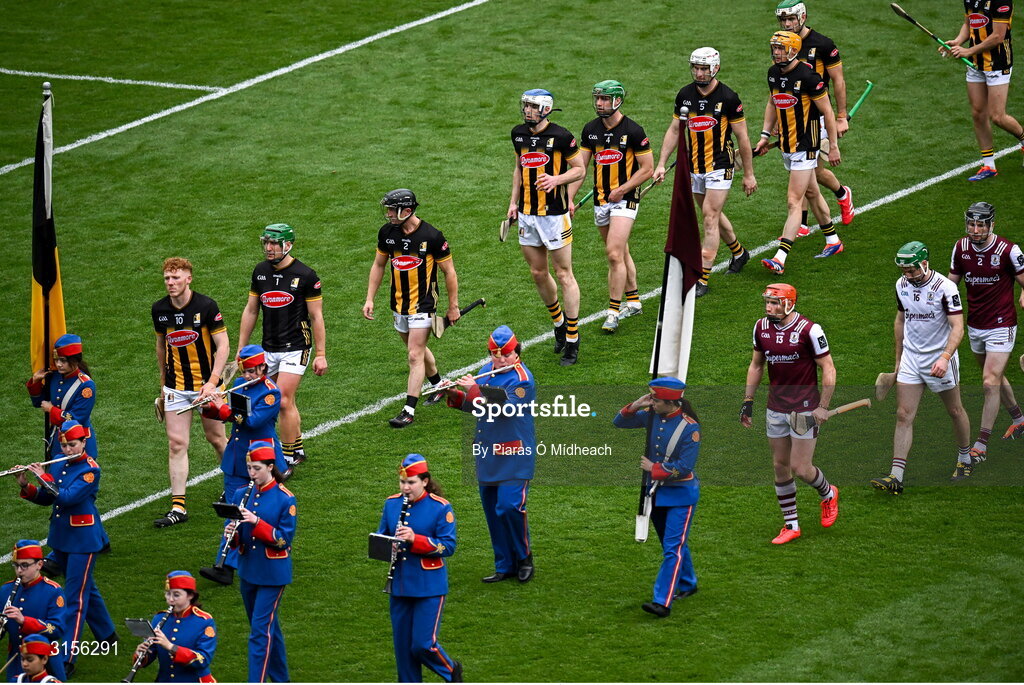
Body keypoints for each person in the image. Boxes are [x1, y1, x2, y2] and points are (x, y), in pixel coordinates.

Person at [12, 421, 116, 677]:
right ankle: (108, 635)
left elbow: (67, 497)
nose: (68, 449)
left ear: (84, 443)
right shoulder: (58, 460)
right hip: (61, 537)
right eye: (64, 445)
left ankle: (69, 655)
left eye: (73, 444)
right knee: (86, 588)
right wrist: (26, 485)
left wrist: (44, 477)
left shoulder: (91, 470)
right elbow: (49, 498)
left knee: (74, 599)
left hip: (83, 540)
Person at [653, 48, 757, 298]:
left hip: (720, 165)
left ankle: (702, 277)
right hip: (694, 166)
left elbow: (742, 137)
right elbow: (675, 131)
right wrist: (660, 163)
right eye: (696, 68)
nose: (699, 73)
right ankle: (740, 252)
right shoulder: (685, 95)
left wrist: (749, 174)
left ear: (715, 69)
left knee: (710, 218)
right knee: (712, 213)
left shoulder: (729, 98)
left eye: (703, 69)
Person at [739, 284, 840, 543]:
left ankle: (828, 494)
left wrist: (823, 406)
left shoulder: (810, 330)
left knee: (802, 468)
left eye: (774, 302)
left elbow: (828, 368)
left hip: (805, 408)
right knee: (780, 466)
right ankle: (791, 524)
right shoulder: (761, 328)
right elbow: (756, 365)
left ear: (788, 303)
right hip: (776, 408)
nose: (768, 307)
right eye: (767, 302)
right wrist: (748, 401)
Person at [872, 242, 972, 493]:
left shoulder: (946, 289)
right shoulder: (901, 285)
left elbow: (958, 327)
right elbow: (900, 321)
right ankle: (896, 476)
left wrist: (945, 357)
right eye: (904, 270)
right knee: (904, 414)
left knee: (955, 411)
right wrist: (898, 361)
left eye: (912, 270)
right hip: (911, 359)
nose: (908, 275)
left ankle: (965, 458)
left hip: (939, 359)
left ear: (925, 263)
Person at [444, 325, 536, 583]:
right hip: (488, 453)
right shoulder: (487, 372)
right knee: (492, 511)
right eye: (496, 355)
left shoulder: (522, 380)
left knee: (509, 507)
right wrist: (457, 396)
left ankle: (524, 557)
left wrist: (474, 389)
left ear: (516, 352)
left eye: (505, 355)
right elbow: (479, 408)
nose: (500, 360)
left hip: (514, 453)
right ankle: (504, 564)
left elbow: (506, 409)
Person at [363, 189, 460, 428]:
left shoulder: (432, 236)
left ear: (407, 211)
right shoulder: (387, 234)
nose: (387, 214)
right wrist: (369, 298)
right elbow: (378, 265)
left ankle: (408, 410)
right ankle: (439, 384)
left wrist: (453, 306)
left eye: (391, 210)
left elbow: (449, 272)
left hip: (424, 305)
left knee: (414, 354)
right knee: (414, 347)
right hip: (398, 304)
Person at [508, 89, 588, 365]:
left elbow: (579, 169)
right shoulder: (518, 134)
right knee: (538, 272)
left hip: (554, 215)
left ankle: (573, 340)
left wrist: (556, 181)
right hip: (528, 215)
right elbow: (519, 168)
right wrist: (513, 202)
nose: (526, 110)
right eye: (525, 106)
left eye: (532, 106)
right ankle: (558, 324)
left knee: (564, 274)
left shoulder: (562, 136)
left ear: (545, 109)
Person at [754, 31, 844, 275]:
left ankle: (780, 257)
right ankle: (833, 241)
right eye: (774, 48)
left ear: (793, 50)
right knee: (813, 192)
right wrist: (764, 136)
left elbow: (826, 112)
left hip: (805, 147)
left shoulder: (808, 76)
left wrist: (833, 146)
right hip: (786, 145)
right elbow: (773, 103)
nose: (776, 52)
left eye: (780, 48)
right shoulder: (773, 73)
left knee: (794, 201)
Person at [238, 223, 327, 469]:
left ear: (288, 245)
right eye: (266, 243)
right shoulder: (260, 272)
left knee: (283, 400)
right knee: (277, 398)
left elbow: (316, 317)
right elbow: (251, 310)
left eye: (274, 243)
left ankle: (288, 455)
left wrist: (320, 353)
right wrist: (242, 348)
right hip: (269, 347)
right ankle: (296, 446)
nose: (269, 248)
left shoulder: (306, 275)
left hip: (297, 346)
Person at [199, 345, 289, 586]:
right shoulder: (240, 383)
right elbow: (225, 416)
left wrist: (223, 407)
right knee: (233, 511)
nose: (247, 375)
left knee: (260, 511)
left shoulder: (271, 393)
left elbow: (251, 421)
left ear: (262, 367)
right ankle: (225, 566)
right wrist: (207, 407)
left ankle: (267, 551)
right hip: (237, 458)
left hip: (262, 459)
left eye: (251, 371)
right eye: (245, 371)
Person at [613, 378, 701, 618]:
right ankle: (688, 582)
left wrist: (654, 468)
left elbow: (684, 466)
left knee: (672, 548)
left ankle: (661, 602)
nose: (651, 402)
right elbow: (619, 422)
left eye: (655, 399)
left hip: (681, 495)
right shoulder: (652, 416)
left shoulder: (690, 428)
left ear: (671, 403)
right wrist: (636, 405)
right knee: (671, 543)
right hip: (656, 493)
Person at [569, 80, 653, 331]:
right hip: (601, 201)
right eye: (597, 98)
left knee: (614, 253)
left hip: (625, 199)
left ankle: (613, 312)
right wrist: (569, 199)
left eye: (604, 99)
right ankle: (634, 301)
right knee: (621, 251)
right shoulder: (590, 130)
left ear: (617, 101)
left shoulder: (634, 131)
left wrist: (623, 189)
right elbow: (580, 169)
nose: (599, 103)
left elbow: (647, 169)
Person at [153, 257, 229, 528]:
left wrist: (213, 382)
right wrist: (163, 385)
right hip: (176, 388)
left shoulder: (206, 306)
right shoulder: (159, 310)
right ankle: (178, 506)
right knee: (176, 444)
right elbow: (161, 346)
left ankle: (234, 485)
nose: (170, 283)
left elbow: (223, 345)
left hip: (207, 387)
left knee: (216, 438)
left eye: (176, 278)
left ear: (189, 279)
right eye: (167, 279)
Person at [948, 202, 1024, 466]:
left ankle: (980, 443)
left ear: (992, 224)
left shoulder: (1008, 251)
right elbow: (950, 285)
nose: (976, 229)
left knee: (989, 381)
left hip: (1002, 324)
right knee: (995, 376)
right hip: (975, 325)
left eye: (981, 224)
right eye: (972, 223)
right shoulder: (961, 248)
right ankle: (1019, 419)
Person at [376, 455, 462, 683]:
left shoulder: (440, 507)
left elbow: (448, 545)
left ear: (425, 481)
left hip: (428, 587)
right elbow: (382, 535)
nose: (406, 487)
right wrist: (388, 544)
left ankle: (452, 672)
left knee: (423, 645)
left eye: (411, 482)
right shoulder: (392, 503)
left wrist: (416, 539)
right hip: (400, 586)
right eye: (402, 482)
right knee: (403, 651)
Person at [774, 0, 856, 232]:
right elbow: (778, 86)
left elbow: (838, 81)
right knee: (803, 173)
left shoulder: (822, 44)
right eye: (783, 20)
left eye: (791, 19)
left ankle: (841, 194)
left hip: (817, 116)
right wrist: (780, 121)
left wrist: (840, 116)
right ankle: (803, 220)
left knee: (811, 171)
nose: (787, 24)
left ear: (803, 17)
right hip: (792, 116)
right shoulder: (781, 44)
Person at [223, 442, 296, 683]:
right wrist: (231, 535)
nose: (251, 474)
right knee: (267, 628)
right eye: (249, 468)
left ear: (270, 467)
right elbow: (237, 538)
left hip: (273, 574)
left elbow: (283, 540)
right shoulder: (240, 494)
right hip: (248, 570)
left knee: (258, 633)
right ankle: (281, 679)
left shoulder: (286, 499)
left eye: (256, 468)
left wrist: (256, 522)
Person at [940, 0, 1024, 180]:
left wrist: (968, 51)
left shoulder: (1001, 1)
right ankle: (989, 166)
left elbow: (998, 37)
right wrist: (957, 41)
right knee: (978, 113)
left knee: (998, 116)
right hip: (975, 64)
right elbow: (968, 23)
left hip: (998, 64)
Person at [130, 571, 217, 683]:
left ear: (190, 595)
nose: (170, 599)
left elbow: (203, 660)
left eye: (176, 595)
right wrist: (141, 654)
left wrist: (171, 647)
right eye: (168, 594)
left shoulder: (204, 621)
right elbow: (150, 654)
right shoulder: (158, 619)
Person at [1, 540, 66, 683]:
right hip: (16, 660)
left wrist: (24, 621)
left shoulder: (53, 592)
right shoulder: (5, 590)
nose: (19, 570)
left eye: (25, 565)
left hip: (45, 662)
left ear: (39, 565)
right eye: (16, 565)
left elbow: (57, 629)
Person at [26, 334, 97, 461]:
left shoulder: (86, 386)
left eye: (63, 360)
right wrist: (36, 381)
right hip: (58, 442)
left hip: (79, 443)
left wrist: (52, 410)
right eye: (57, 360)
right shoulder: (55, 376)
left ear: (75, 360)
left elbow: (76, 418)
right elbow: (38, 402)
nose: (58, 364)